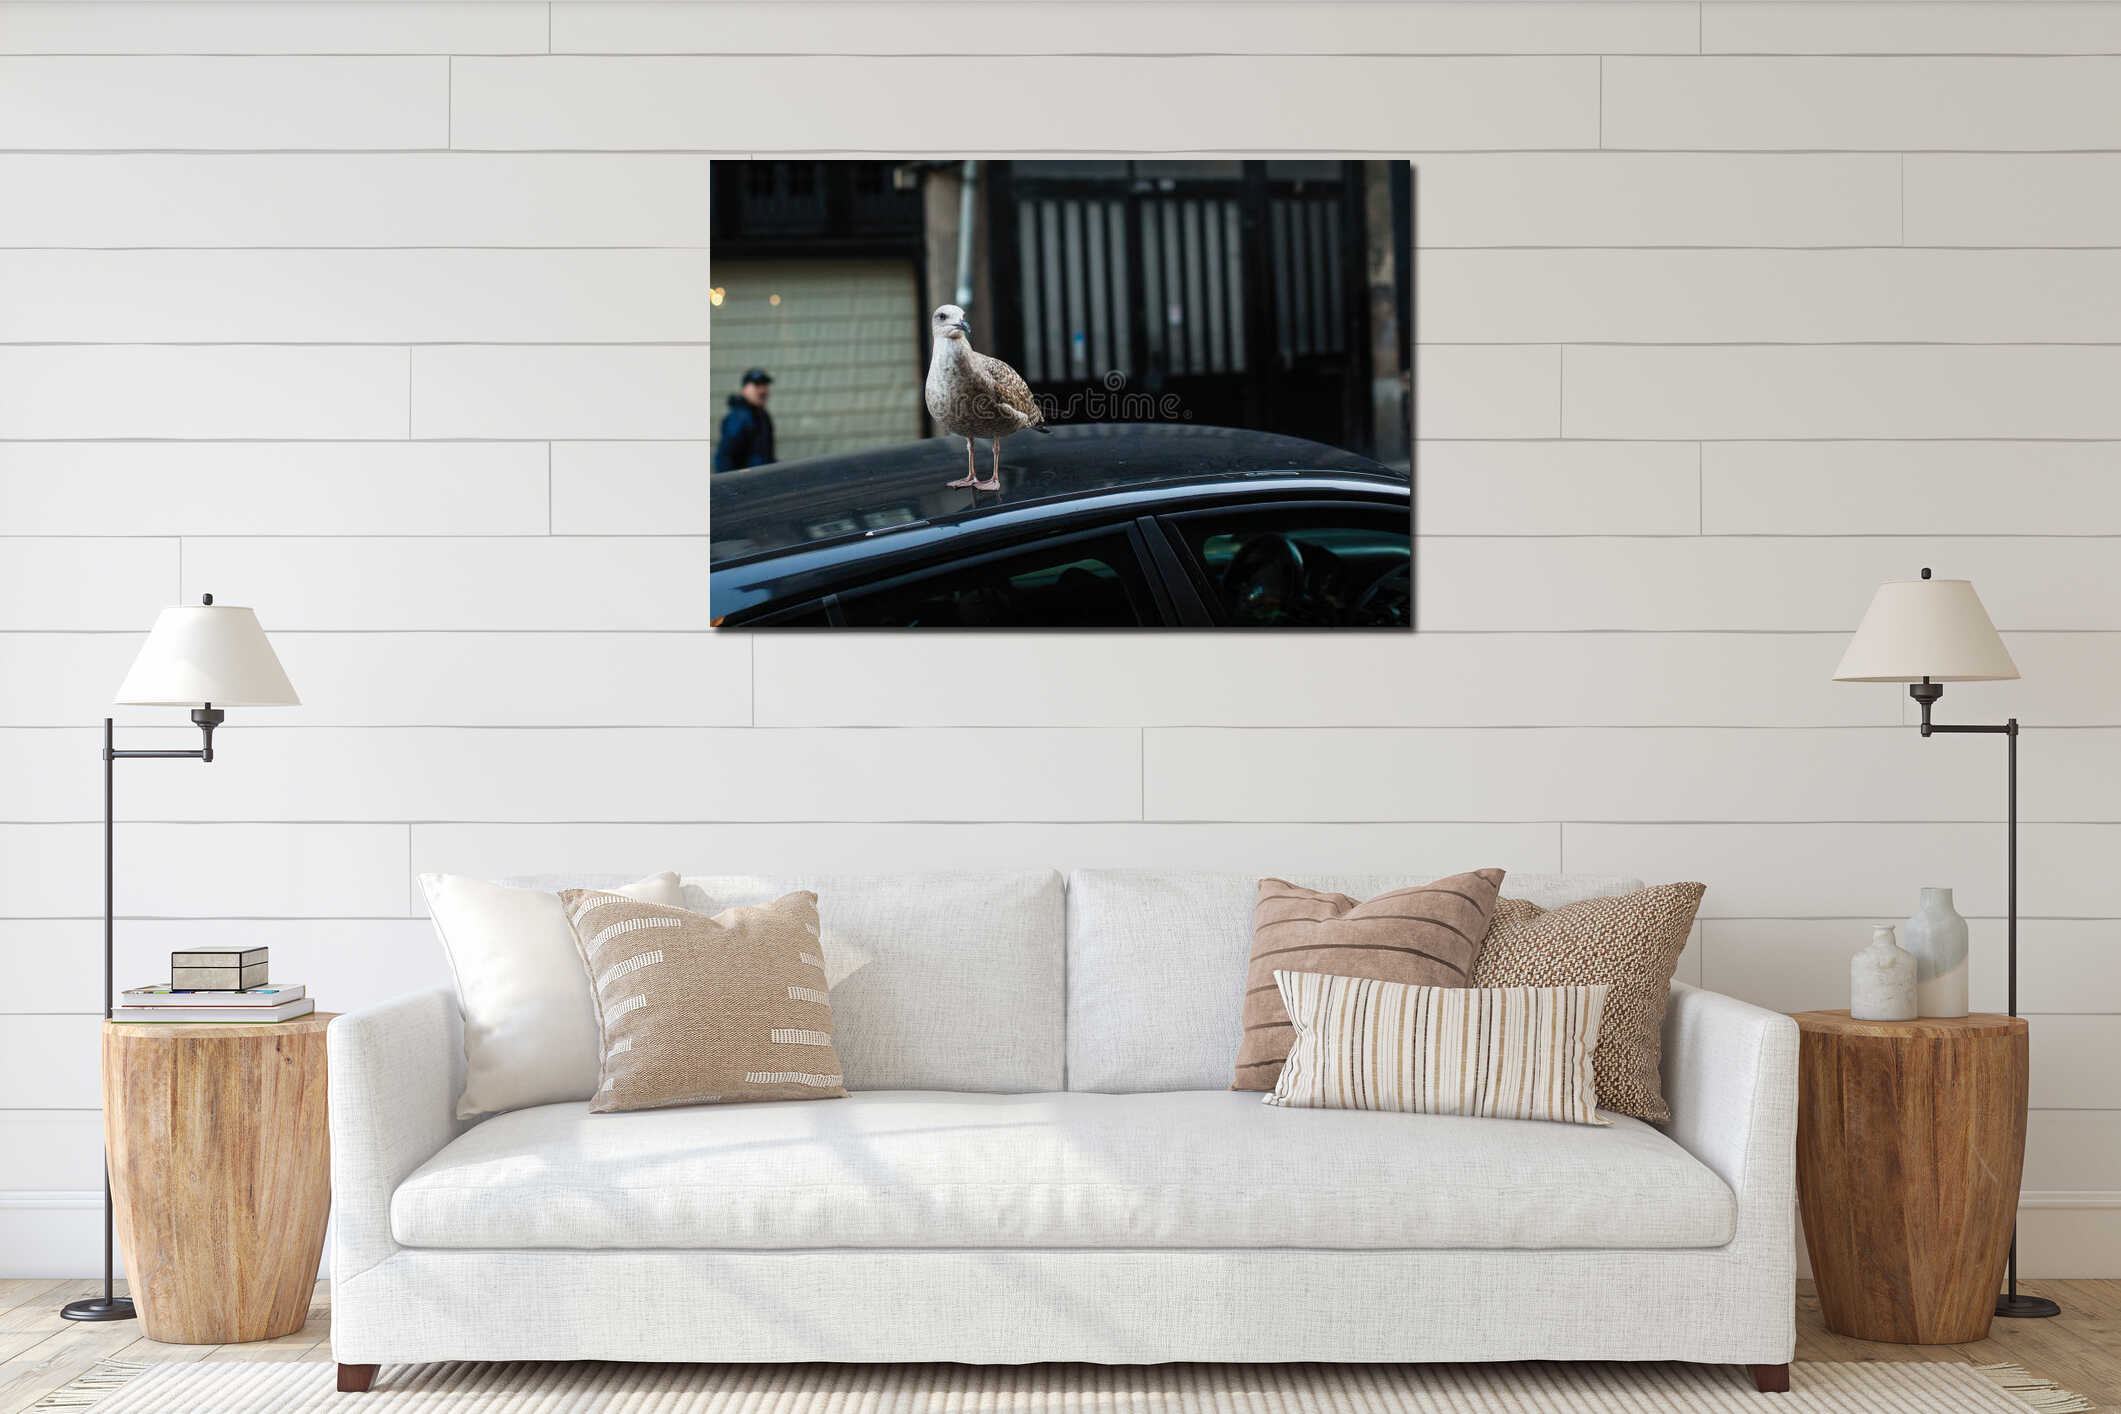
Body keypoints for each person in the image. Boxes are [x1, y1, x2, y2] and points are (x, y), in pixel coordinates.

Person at [713, 368, 776, 472]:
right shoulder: (739, 418)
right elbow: (724, 458)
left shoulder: (762, 416)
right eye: (757, 385)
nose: (762, 390)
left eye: (765, 385)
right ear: (745, 389)